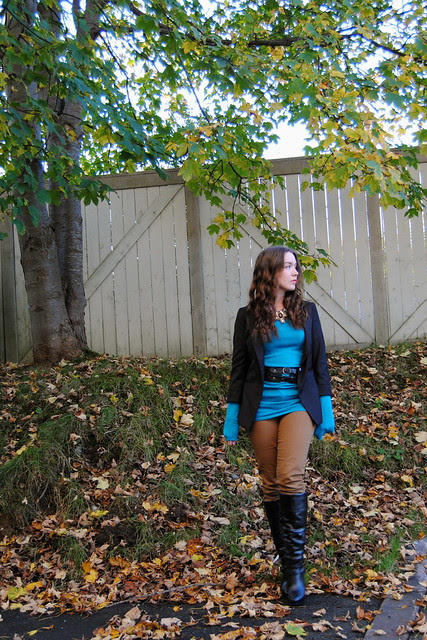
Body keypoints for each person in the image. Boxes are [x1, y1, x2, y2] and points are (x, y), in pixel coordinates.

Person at [223, 245, 335, 606]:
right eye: (288, 266)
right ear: (269, 272)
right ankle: (287, 564)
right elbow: (239, 368)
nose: (295, 272)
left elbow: (319, 364)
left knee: (290, 476)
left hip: (298, 401)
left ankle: (296, 571)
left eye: (295, 266)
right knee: (271, 482)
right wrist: (231, 419)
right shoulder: (247, 316)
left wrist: (326, 411)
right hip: (261, 404)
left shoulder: (308, 312)